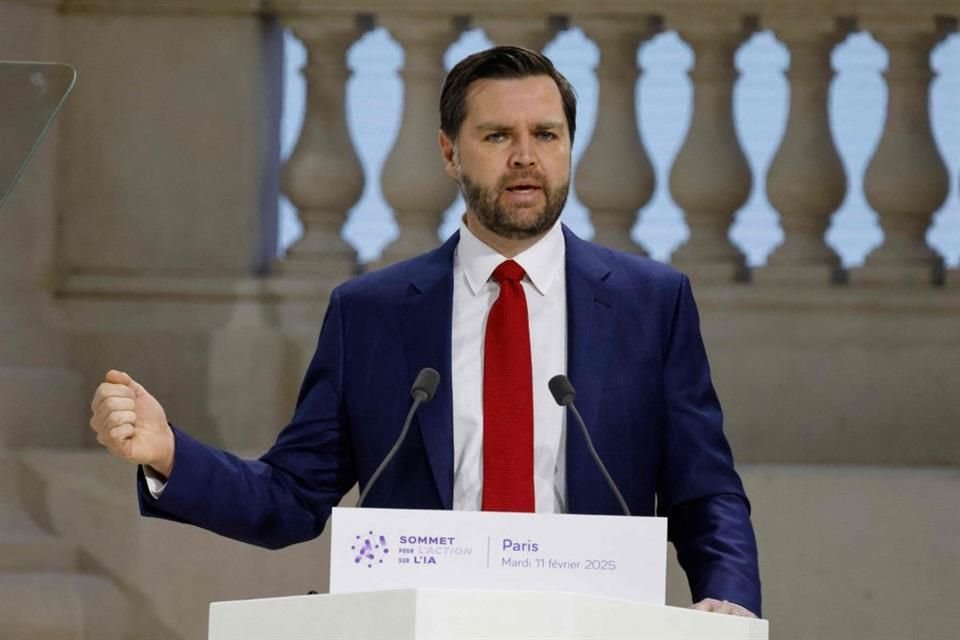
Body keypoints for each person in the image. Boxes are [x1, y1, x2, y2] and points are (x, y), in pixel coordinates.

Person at [90, 46, 761, 617]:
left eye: (547, 135)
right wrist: (168, 452)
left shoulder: (651, 303)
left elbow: (705, 492)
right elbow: (290, 499)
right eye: (498, 136)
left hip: (593, 620)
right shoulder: (371, 313)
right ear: (449, 152)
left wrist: (730, 603)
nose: (526, 157)